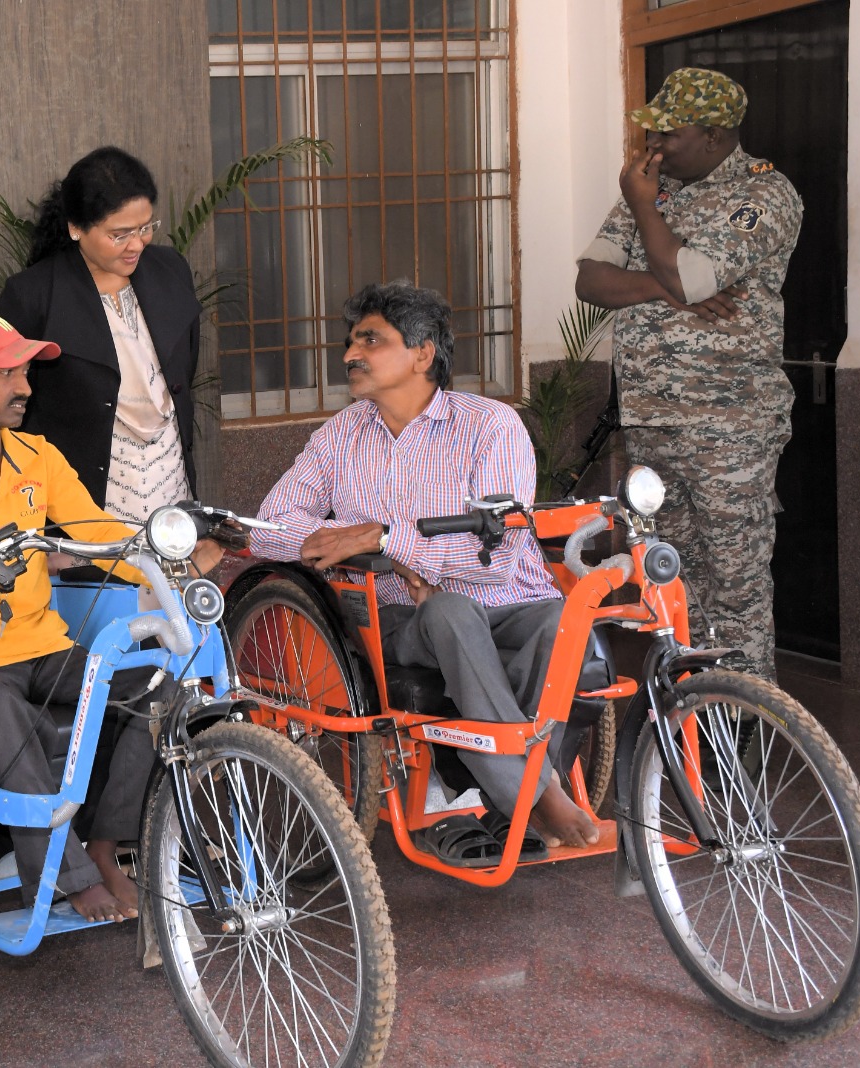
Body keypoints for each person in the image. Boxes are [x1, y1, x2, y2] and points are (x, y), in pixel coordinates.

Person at [250, 282, 600, 856]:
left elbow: (497, 559)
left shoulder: (492, 426)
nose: (349, 355)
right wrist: (358, 546)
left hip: (511, 604)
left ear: (423, 352)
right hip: (396, 619)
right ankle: (535, 797)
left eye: (371, 340)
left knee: (558, 622)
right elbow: (273, 526)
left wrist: (388, 537)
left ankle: (480, 785)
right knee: (449, 609)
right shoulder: (341, 436)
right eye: (350, 342)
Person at [0, 312, 208, 923]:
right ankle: (62, 874)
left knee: (153, 684)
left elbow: (98, 531)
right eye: (6, 372)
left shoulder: (39, 457)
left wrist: (165, 563)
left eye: (26, 371)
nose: (25, 386)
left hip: (46, 648)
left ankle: (106, 847)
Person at [576, 67, 801, 681]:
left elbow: (697, 276)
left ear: (714, 134)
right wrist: (669, 285)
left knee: (737, 583)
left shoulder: (764, 195)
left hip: (730, 428)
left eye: (669, 134)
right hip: (652, 423)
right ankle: (694, 713)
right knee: (676, 577)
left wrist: (648, 214)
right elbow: (591, 280)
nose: (654, 147)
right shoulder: (652, 187)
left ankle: (751, 719)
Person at [0, 147, 201, 523]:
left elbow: (184, 369)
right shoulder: (34, 295)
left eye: (145, 227)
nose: (136, 244)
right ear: (76, 227)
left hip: (170, 475)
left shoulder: (171, 270)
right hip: (85, 493)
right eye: (119, 234)